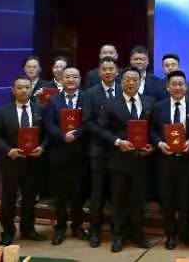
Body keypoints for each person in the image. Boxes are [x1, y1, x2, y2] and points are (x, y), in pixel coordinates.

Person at [96, 67, 155, 253]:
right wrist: (117, 142)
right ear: (121, 82)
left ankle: (138, 234)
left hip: (142, 161)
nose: (131, 83)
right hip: (119, 160)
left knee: (138, 201)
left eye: (134, 80)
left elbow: (154, 130)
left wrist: (152, 146)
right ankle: (118, 236)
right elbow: (101, 129)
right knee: (118, 201)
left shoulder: (149, 102)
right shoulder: (111, 103)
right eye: (127, 79)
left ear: (140, 82)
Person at [0, 76, 46, 245]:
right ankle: (8, 231)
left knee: (30, 197)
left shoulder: (40, 109)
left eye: (27, 87)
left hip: (33, 162)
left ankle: (28, 229)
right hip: (11, 162)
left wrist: (42, 147)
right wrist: (9, 151)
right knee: (9, 198)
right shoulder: (2, 111)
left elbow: (47, 134)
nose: (23, 90)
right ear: (13, 90)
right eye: (20, 87)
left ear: (31, 89)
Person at [151, 70, 189, 250]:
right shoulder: (159, 107)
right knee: (167, 199)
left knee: (186, 199)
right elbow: (152, 131)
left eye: (181, 84)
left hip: (187, 160)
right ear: (167, 87)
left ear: (186, 87)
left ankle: (185, 233)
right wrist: (160, 143)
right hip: (165, 160)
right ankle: (170, 234)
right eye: (174, 84)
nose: (177, 87)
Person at [43, 66, 87, 244]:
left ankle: (77, 226)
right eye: (67, 77)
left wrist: (76, 134)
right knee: (60, 194)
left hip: (81, 152)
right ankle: (60, 227)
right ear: (61, 79)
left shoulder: (87, 98)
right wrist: (63, 136)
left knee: (79, 193)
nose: (71, 80)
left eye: (75, 77)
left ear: (80, 80)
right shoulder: (53, 100)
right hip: (59, 152)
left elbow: (90, 121)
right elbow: (49, 124)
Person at [81, 56, 119, 247]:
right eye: (105, 69)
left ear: (117, 71)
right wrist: (112, 138)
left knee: (117, 194)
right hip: (99, 150)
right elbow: (87, 122)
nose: (108, 72)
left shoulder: (124, 90)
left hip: (120, 151)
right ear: (99, 72)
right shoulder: (90, 93)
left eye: (111, 69)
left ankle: (118, 232)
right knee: (97, 194)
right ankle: (94, 232)